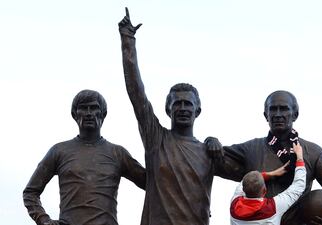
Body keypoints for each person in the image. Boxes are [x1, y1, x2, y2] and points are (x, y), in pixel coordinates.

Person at [118, 8, 286, 225]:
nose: (183, 108)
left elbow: (248, 178)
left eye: (188, 104)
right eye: (177, 104)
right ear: (168, 110)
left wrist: (289, 167)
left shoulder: (208, 152)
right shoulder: (156, 139)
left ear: (198, 110)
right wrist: (128, 42)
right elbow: (136, 93)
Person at [206, 90, 322, 225]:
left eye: (284, 109)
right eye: (273, 109)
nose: (278, 114)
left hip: (298, 220)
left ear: (295, 114)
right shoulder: (250, 149)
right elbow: (214, 159)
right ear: (266, 115)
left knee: (321, 200)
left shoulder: (313, 151)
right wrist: (210, 141)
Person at [23, 89, 146, 225]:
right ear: (75, 115)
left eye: (94, 108)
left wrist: (165, 157)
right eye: (83, 108)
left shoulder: (118, 154)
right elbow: (30, 192)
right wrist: (43, 219)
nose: (88, 113)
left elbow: (152, 183)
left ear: (103, 114)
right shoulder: (59, 151)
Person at [230, 142, 306, 225]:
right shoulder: (272, 208)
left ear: (243, 190)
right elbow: (298, 186)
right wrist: (300, 158)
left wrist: (272, 173)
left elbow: (245, 182)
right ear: (264, 191)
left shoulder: (234, 204)